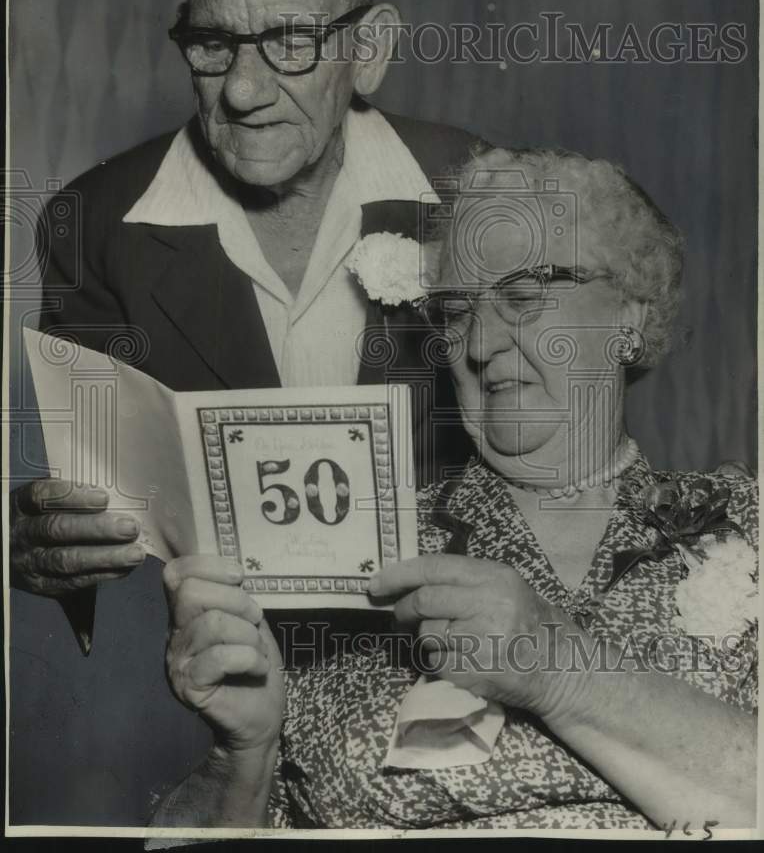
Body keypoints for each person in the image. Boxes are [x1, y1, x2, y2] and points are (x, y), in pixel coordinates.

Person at [155, 148, 757, 830]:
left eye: (524, 297)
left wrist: (559, 667)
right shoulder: (354, 542)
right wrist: (244, 758)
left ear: (630, 317)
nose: (479, 344)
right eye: (457, 311)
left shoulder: (745, 524)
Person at [10, 0, 480, 648]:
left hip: (449, 673)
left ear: (368, 49)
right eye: (214, 42)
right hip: (214, 685)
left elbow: (559, 473)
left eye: (291, 41)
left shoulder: (481, 197)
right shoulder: (90, 224)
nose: (243, 90)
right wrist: (41, 544)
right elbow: (101, 515)